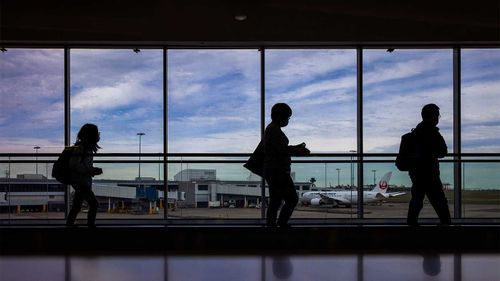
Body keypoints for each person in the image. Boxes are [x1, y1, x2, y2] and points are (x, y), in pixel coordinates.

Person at [264, 103, 310, 227]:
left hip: (273, 170)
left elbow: (280, 148)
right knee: (292, 199)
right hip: (278, 171)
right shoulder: (274, 130)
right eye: (287, 117)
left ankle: (272, 226)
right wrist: (299, 151)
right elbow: (282, 150)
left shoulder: (271, 129)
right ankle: (281, 224)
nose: (288, 120)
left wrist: (295, 147)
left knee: (276, 200)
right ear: (279, 116)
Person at [407, 104, 451, 226]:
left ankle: (410, 227)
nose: (438, 118)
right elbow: (443, 152)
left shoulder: (415, 132)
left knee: (416, 200)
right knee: (440, 202)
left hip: (416, 173)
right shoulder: (432, 132)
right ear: (433, 116)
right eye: (437, 115)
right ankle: (447, 228)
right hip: (430, 173)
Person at [66, 123, 103, 227]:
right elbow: (74, 165)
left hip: (80, 181)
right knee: (94, 204)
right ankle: (90, 226)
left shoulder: (84, 148)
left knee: (76, 206)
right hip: (81, 182)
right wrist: (91, 170)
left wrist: (91, 170)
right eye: (96, 133)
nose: (98, 135)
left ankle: (69, 226)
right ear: (91, 135)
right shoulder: (80, 148)